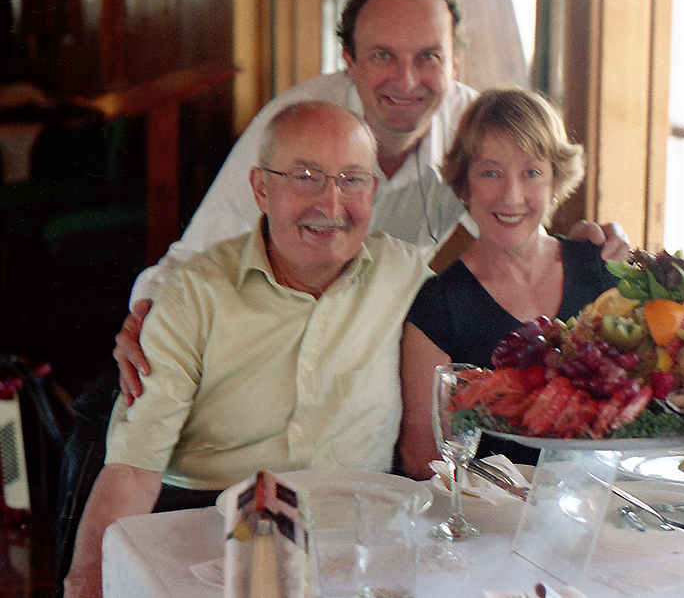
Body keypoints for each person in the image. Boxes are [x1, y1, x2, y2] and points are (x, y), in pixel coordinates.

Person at [114, 0, 630, 403]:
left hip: (381, 355)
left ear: (455, 62)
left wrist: (580, 249)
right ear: (349, 61)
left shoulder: (471, 131)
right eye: (383, 55)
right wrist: (148, 320)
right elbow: (197, 252)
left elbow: (515, 222)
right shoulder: (293, 125)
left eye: (428, 56)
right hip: (271, 343)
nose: (406, 80)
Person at [63, 101, 431, 598]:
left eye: (352, 180)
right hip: (205, 525)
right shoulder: (192, 295)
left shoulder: (405, 276)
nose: (331, 204)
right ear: (261, 189)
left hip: (355, 536)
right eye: (305, 177)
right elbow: (133, 469)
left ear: (374, 190)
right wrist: (89, 578)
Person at [397, 89, 619, 479]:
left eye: (531, 173)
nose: (511, 196)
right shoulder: (438, 304)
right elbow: (421, 455)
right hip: (491, 510)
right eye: (490, 172)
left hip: (605, 496)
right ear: (464, 185)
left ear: (555, 180)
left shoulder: (599, 270)